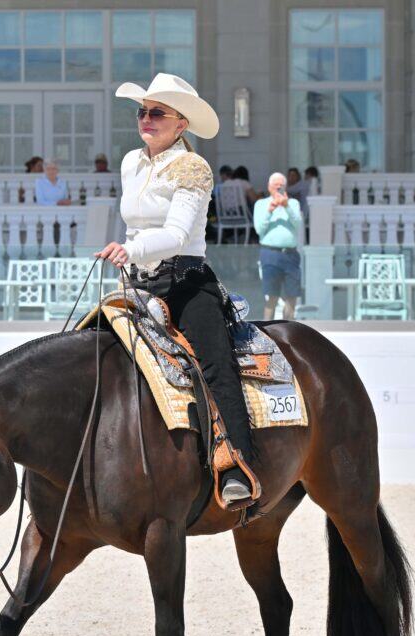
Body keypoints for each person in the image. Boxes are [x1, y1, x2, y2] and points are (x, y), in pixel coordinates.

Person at [95, 73, 258, 506]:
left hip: (184, 281)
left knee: (216, 366)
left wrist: (129, 250)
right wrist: (129, 256)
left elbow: (179, 234)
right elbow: (135, 221)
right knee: (86, 346)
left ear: (181, 124)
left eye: (157, 113)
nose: (146, 119)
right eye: (142, 112)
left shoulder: (193, 167)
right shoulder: (132, 162)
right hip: (136, 281)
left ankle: (236, 465)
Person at [254, 172, 303, 320]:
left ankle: (289, 329)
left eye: (281, 186)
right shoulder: (261, 204)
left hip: (290, 254)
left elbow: (298, 224)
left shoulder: (293, 204)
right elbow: (259, 229)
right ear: (269, 187)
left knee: (292, 296)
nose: (279, 188)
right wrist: (270, 209)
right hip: (270, 254)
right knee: (271, 296)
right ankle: (267, 332)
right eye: (276, 186)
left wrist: (286, 206)